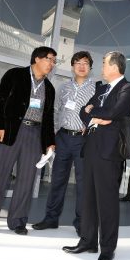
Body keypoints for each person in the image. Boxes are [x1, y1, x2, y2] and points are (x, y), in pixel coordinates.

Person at [62, 51, 130, 260]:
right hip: (92, 147)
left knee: (107, 202)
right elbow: (83, 114)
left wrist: (98, 113)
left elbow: (116, 111)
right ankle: (87, 241)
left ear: (115, 67)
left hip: (110, 151)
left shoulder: (128, 88)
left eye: (104, 63)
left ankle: (107, 249)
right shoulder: (101, 88)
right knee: (87, 198)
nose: (102, 67)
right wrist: (97, 115)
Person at [0, 46, 56, 237]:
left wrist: (49, 142)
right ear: (37, 59)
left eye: (54, 61)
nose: (52, 64)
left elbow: (49, 116)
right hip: (10, 131)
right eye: (49, 59)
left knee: (27, 180)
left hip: (35, 135)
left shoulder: (49, 88)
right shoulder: (15, 74)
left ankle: (18, 221)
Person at [32, 51, 95, 235]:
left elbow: (99, 112)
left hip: (84, 140)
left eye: (85, 63)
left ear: (90, 67)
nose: (82, 66)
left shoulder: (96, 89)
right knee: (57, 181)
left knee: (83, 184)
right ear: (72, 66)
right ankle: (51, 219)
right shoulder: (63, 87)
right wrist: (52, 137)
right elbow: (55, 111)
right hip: (62, 138)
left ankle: (81, 223)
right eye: (78, 63)